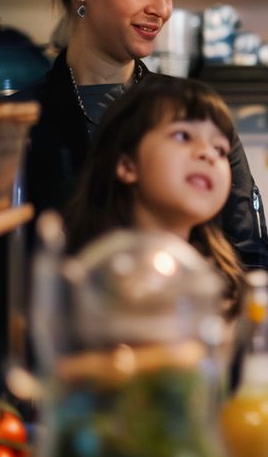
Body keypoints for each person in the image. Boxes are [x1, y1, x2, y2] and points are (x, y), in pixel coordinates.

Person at [0, 0, 268, 407]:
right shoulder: (13, 127)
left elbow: (255, 272)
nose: (161, 8)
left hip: (172, 400)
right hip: (40, 408)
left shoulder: (195, 117)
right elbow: (9, 296)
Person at [62, 75, 241, 303]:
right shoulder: (93, 276)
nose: (208, 154)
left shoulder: (222, 282)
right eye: (183, 136)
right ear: (127, 164)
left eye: (220, 149)